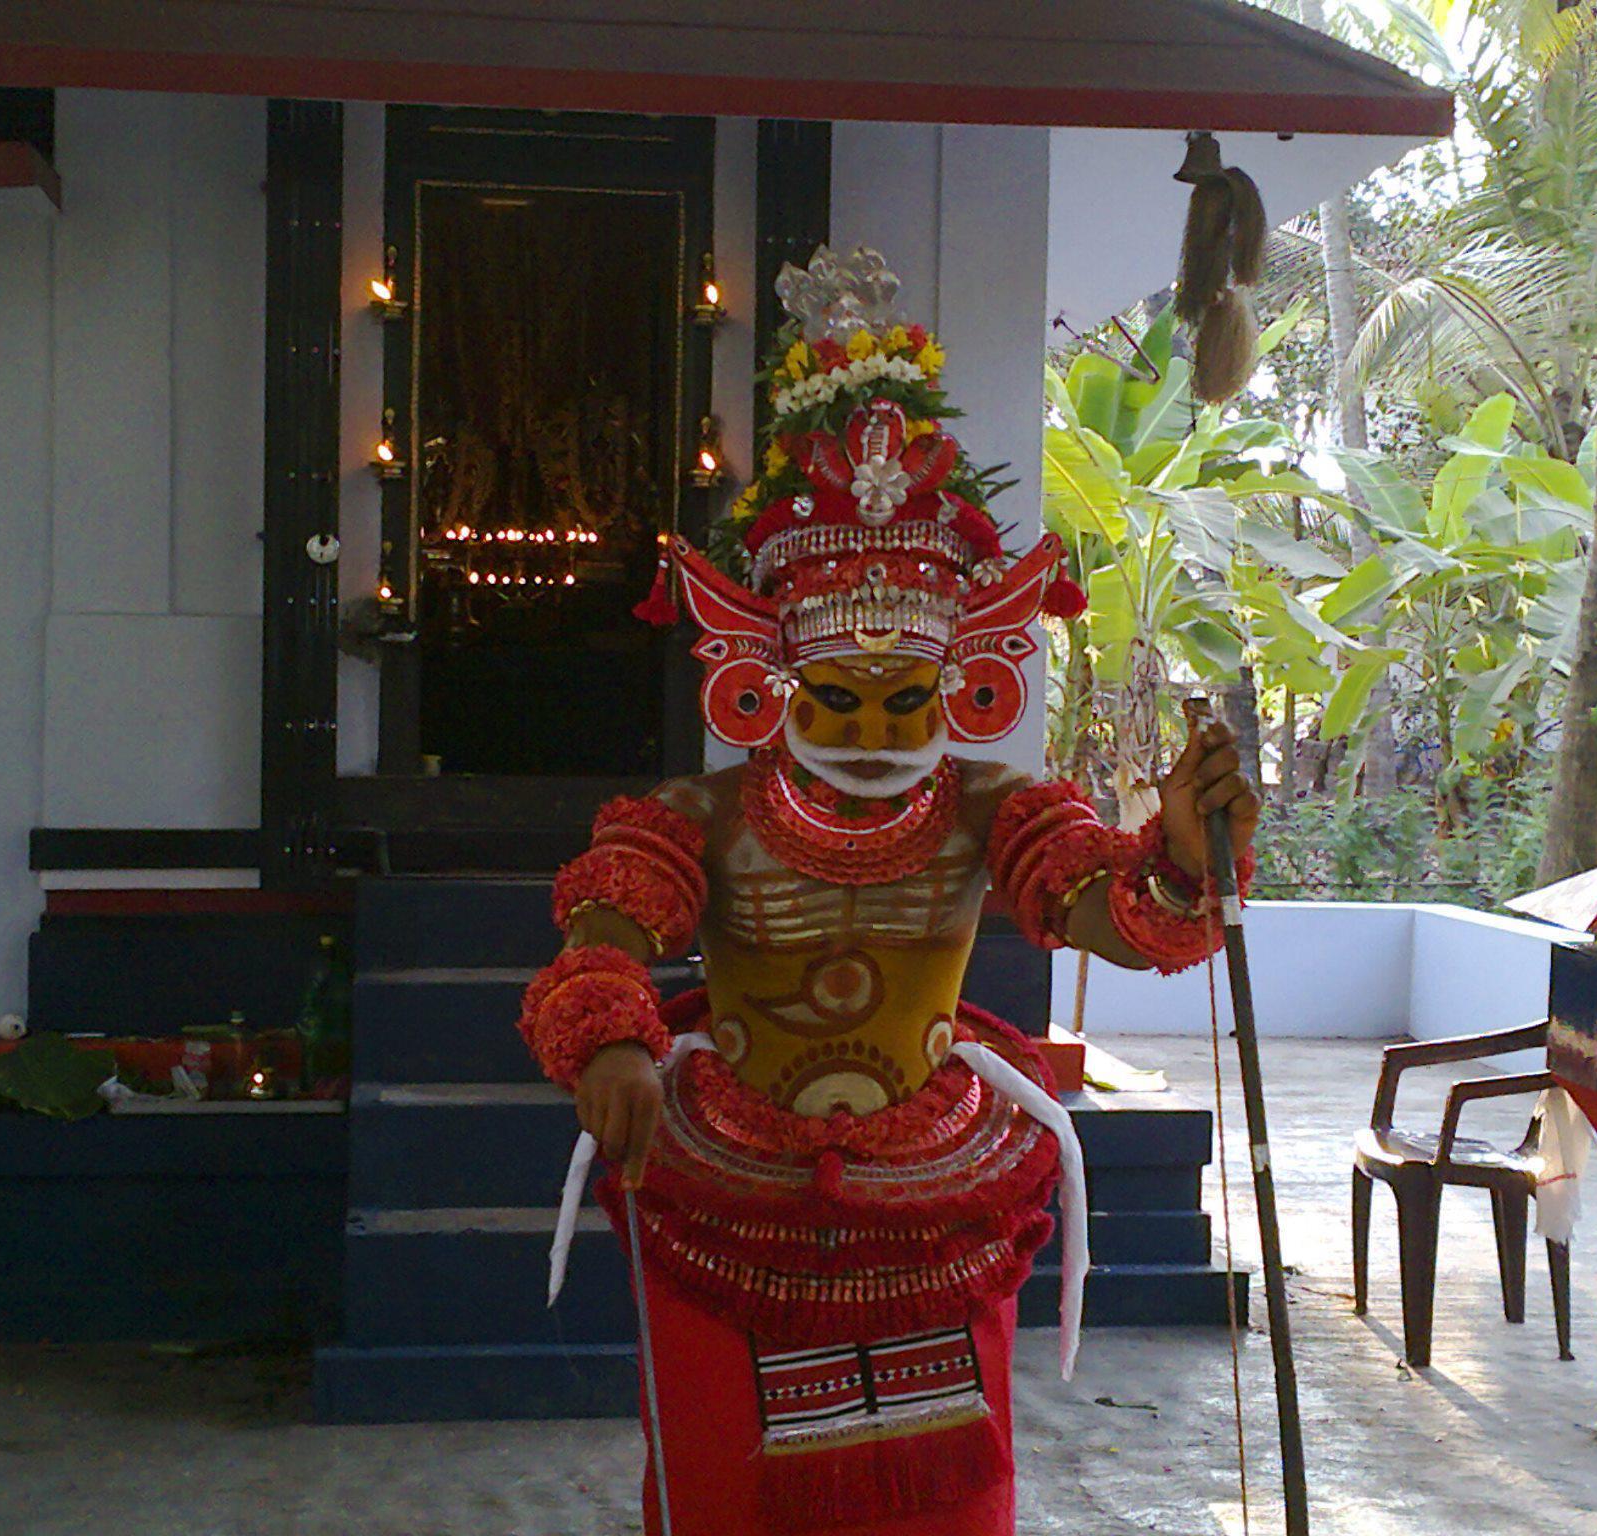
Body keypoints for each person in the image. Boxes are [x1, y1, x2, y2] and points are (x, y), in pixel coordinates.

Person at [518, 247, 1257, 1535]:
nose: (871, 727)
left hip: (935, 1196)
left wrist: (1183, 857)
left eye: (905, 698)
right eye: (835, 698)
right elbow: (608, 919)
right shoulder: (699, 813)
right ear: (768, 681)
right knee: (722, 1499)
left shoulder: (990, 810)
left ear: (960, 685)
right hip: (731, 1192)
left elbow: (1118, 918)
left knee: (944, 1509)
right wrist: (613, 1033)